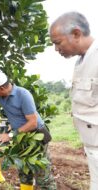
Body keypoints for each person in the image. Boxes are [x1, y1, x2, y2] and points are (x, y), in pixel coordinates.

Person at [50, 12, 98, 190]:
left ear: (76, 34)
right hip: (92, 148)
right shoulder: (82, 61)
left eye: (57, 42)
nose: (56, 49)